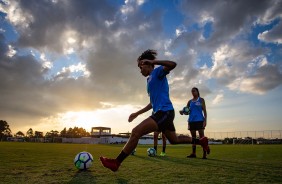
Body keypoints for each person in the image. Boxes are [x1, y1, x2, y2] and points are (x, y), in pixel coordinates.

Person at [100, 50, 209, 172]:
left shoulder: (157, 72)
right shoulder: (149, 81)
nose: (140, 70)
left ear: (148, 64)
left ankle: (116, 162)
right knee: (174, 140)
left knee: (136, 132)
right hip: (163, 113)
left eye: (141, 66)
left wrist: (154, 61)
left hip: (165, 112)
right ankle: (201, 141)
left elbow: (173, 64)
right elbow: (152, 104)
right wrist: (137, 113)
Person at [180, 87, 210, 159]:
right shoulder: (189, 102)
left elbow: (204, 111)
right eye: (192, 91)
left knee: (202, 138)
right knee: (193, 138)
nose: (193, 92)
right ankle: (193, 153)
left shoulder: (201, 100)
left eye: (194, 91)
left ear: (197, 92)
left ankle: (204, 154)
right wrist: (182, 112)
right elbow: (186, 111)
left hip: (200, 120)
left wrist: (205, 120)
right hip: (191, 121)